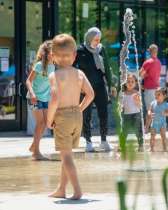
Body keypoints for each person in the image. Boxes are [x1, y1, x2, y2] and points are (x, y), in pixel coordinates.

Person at [47, 34, 94, 200]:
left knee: (65, 155)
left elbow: (54, 99)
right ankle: (61, 188)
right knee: (67, 154)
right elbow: (90, 94)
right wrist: (80, 109)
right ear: (74, 55)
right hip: (76, 115)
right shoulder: (79, 73)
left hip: (62, 115)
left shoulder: (55, 76)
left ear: (52, 57)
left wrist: (48, 120)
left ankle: (77, 190)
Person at [74, 27, 113, 152]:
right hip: (85, 88)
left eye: (99, 39)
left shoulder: (101, 50)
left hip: (100, 85)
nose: (97, 42)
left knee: (104, 113)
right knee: (87, 115)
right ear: (89, 38)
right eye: (95, 39)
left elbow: (106, 67)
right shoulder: (80, 50)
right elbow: (75, 69)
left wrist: (111, 84)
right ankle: (88, 141)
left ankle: (103, 140)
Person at [25, 40, 54, 160]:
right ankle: (36, 152)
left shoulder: (53, 66)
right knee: (41, 122)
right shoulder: (39, 65)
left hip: (46, 98)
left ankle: (33, 146)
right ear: (46, 53)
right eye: (53, 52)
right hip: (34, 98)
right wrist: (32, 94)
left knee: (46, 123)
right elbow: (28, 81)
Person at [120, 74, 144, 152]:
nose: (130, 83)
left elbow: (140, 106)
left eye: (132, 82)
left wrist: (137, 101)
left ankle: (141, 145)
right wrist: (120, 107)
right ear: (125, 83)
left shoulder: (136, 93)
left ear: (136, 83)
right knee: (124, 130)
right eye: (128, 81)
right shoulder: (123, 94)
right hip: (126, 115)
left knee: (138, 131)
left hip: (136, 115)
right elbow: (121, 105)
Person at [145, 88, 168, 152]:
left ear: (164, 96)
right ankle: (151, 148)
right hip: (154, 124)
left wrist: (165, 113)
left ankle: (165, 148)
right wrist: (150, 113)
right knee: (152, 136)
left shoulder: (165, 104)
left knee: (163, 137)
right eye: (155, 94)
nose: (156, 96)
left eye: (158, 94)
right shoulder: (153, 103)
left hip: (162, 124)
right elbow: (149, 111)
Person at [140, 44, 162, 114]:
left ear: (150, 51)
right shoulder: (159, 62)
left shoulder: (148, 62)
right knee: (155, 109)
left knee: (149, 110)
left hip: (149, 90)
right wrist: (147, 74)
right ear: (157, 52)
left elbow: (140, 74)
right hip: (157, 89)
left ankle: (149, 125)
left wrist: (145, 75)